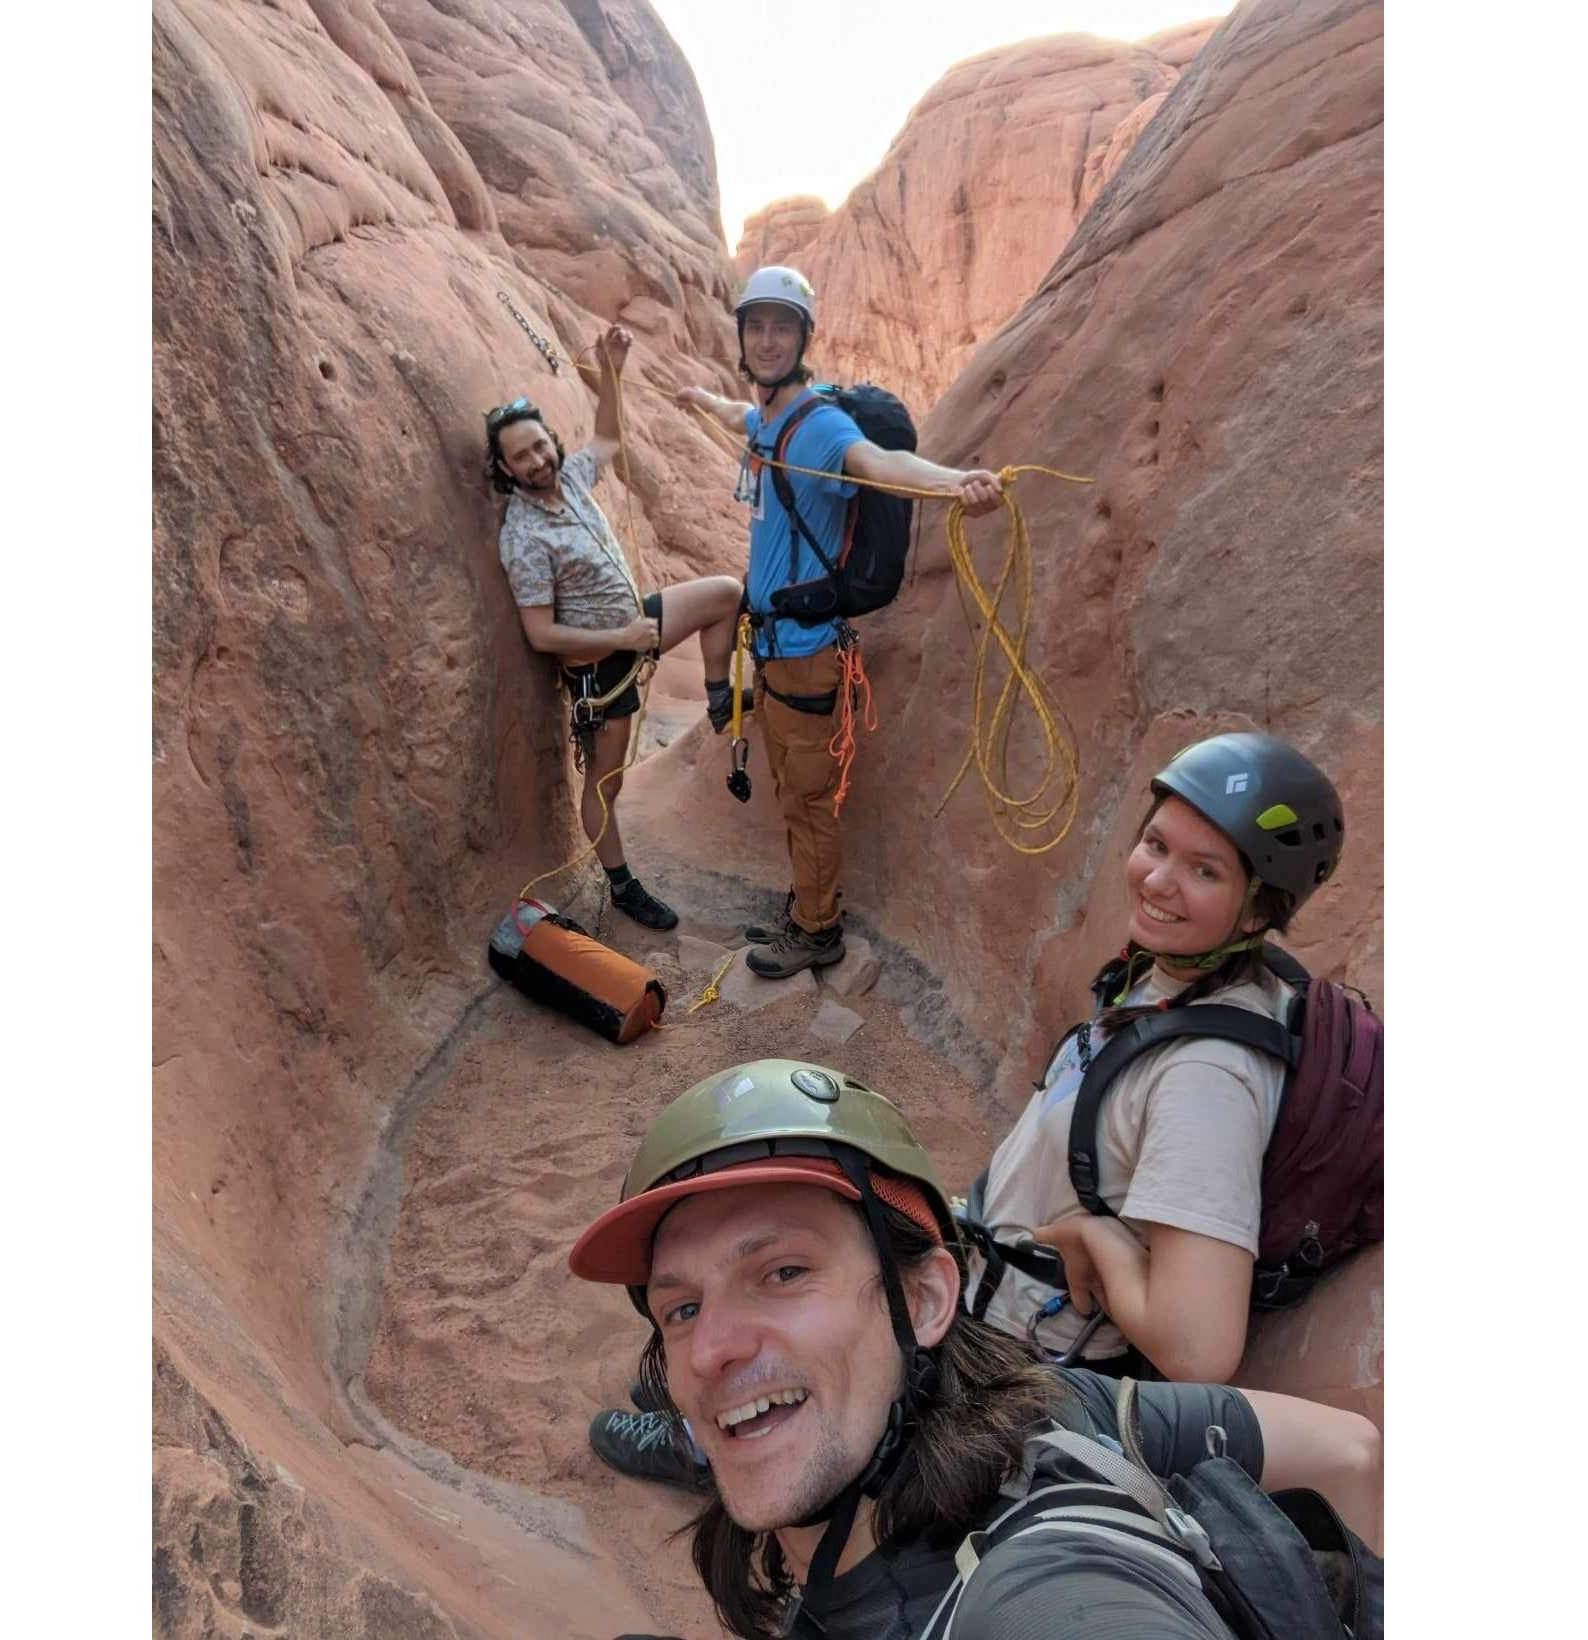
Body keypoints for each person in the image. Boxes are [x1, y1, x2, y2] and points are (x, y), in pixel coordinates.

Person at [569, 1059, 1382, 1640]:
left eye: (782, 1272)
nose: (709, 1348)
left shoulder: (1034, 1591)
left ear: (921, 1301)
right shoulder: (1066, 1407)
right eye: (680, 1308)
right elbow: (1351, 1448)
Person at [971, 730, 1350, 1382]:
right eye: (1156, 845)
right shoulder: (1169, 977)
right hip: (991, 1296)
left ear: (1260, 909)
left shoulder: (1207, 1078)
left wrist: (1099, 1238)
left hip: (1017, 1361)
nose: (1158, 880)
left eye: (1206, 870)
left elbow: (1197, 1348)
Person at [675, 268, 1005, 978]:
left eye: (781, 328)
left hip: (803, 653)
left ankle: (818, 930)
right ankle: (808, 905)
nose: (766, 341)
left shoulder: (820, 427)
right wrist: (700, 397)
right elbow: (744, 417)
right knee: (795, 793)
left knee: (808, 800)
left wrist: (955, 485)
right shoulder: (771, 414)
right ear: (741, 335)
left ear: (803, 339)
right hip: (774, 648)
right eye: (755, 326)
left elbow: (879, 463)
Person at [488, 325, 749, 931]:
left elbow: (606, 436)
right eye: (521, 456)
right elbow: (542, 637)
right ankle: (623, 884)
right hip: (601, 668)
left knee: (725, 594)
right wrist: (621, 642)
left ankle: (717, 699)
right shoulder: (522, 536)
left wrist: (612, 367)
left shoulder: (572, 479)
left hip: (635, 625)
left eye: (539, 446)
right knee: (605, 788)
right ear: (505, 469)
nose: (537, 460)